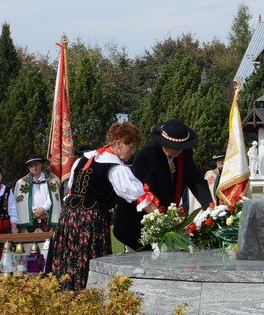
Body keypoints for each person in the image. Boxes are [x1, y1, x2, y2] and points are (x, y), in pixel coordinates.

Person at [49, 122, 157, 290]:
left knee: (68, 261)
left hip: (68, 218)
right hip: (90, 221)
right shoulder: (115, 167)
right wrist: (160, 218)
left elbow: (70, 192)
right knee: (89, 263)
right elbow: (141, 198)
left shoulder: (82, 160)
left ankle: (67, 296)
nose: (132, 151)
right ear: (119, 143)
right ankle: (86, 297)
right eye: (130, 146)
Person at [113, 119, 213, 251]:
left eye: (182, 147)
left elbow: (196, 180)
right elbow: (147, 195)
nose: (179, 151)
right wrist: (166, 220)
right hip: (138, 223)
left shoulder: (184, 153)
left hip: (165, 220)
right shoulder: (147, 156)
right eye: (175, 147)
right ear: (164, 142)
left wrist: (210, 207)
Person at [14, 154, 61, 233]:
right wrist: (35, 211)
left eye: (36, 164)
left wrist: (43, 209)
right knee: (29, 241)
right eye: (31, 166)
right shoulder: (22, 182)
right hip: (30, 220)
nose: (34, 168)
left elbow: (53, 198)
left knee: (47, 241)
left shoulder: (51, 181)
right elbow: (21, 202)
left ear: (41, 164)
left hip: (47, 218)